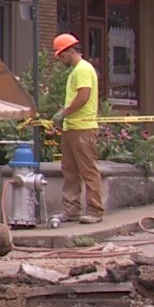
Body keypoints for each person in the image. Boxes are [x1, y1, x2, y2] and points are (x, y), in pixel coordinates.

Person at [52, 32, 105, 225]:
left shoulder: (82, 69)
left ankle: (95, 210)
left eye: (61, 56)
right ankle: (71, 210)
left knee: (88, 170)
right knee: (70, 171)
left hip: (83, 128)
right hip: (73, 128)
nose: (60, 60)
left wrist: (63, 113)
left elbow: (83, 97)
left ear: (70, 50)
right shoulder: (76, 70)